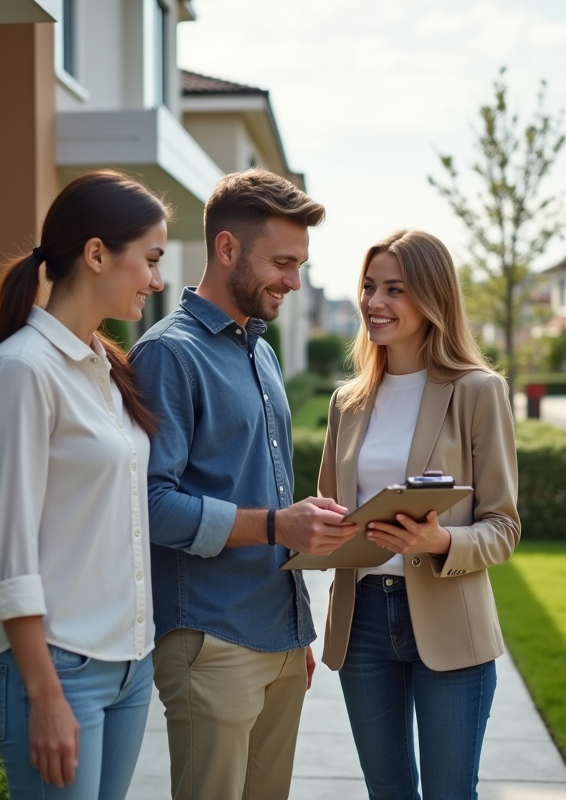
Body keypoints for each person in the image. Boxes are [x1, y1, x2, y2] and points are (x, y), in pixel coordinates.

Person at [129, 169, 357, 800]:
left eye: (301, 264)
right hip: (210, 638)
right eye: (282, 262)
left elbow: (270, 488)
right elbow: (148, 504)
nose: (294, 280)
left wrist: (292, 632)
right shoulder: (169, 356)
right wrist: (279, 527)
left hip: (278, 638)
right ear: (226, 248)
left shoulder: (262, 351)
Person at [0, 170, 169, 799]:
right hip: (57, 669)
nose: (158, 280)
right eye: (151, 259)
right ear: (96, 253)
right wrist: (45, 696)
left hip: (128, 666)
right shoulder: (23, 372)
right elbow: (6, 557)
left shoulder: (107, 366)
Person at [318, 229, 521, 800]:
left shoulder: (478, 391)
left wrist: (439, 542)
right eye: (368, 286)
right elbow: (331, 509)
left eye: (395, 290)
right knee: (388, 793)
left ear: (431, 298)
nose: (374, 303)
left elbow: (503, 527)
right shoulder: (346, 401)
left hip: (448, 621)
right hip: (361, 624)